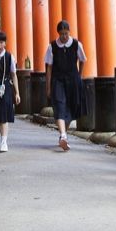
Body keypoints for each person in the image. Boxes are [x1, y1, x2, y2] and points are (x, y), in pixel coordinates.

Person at [44, 19, 88, 151]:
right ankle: (63, 135)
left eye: (66, 33)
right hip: (58, 80)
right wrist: (48, 87)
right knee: (59, 106)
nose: (64, 36)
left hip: (73, 80)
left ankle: (63, 135)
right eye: (62, 34)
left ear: (69, 32)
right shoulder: (52, 46)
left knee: (70, 108)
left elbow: (83, 60)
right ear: (58, 33)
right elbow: (49, 68)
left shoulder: (76, 44)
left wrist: (79, 76)